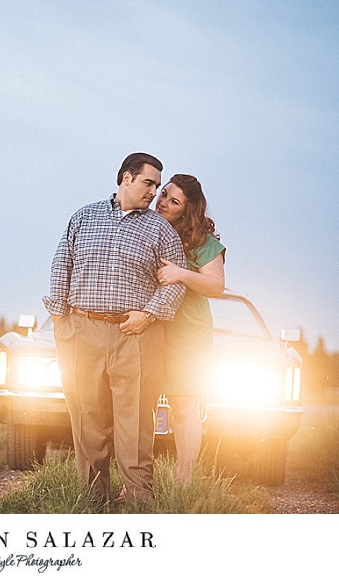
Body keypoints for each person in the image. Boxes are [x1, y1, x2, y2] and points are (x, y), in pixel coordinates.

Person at [43, 152, 187, 504]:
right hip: (82, 331)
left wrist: (149, 314)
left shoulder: (160, 230)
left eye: (157, 185)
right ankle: (92, 502)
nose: (154, 192)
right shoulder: (84, 217)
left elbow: (176, 282)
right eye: (148, 183)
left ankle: (139, 501)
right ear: (126, 178)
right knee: (88, 421)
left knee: (135, 424)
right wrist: (62, 321)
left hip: (136, 335)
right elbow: (61, 264)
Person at [155, 174, 226, 484]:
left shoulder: (203, 242)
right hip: (150, 327)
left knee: (184, 407)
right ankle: (138, 483)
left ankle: (183, 482)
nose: (164, 203)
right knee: (141, 406)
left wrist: (181, 274)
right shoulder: (148, 227)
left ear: (188, 210)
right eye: (164, 194)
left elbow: (216, 286)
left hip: (188, 334)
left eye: (175, 202)